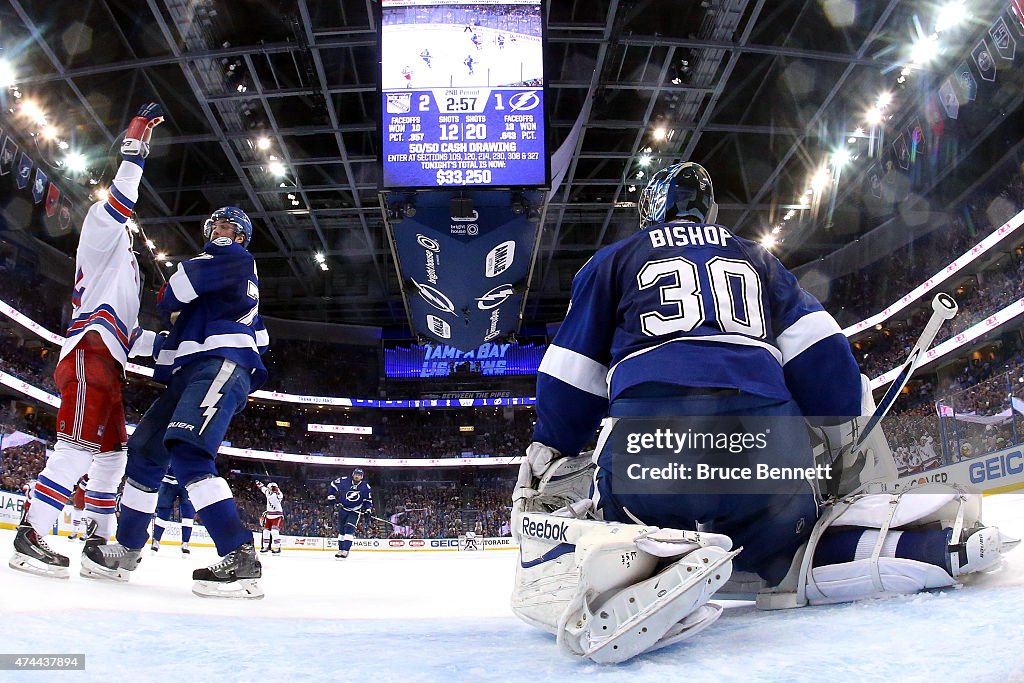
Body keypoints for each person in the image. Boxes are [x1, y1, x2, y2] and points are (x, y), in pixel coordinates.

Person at [510, 162, 1018, 663]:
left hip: (651, 455)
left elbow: (569, 377)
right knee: (792, 544)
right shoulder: (757, 258)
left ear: (651, 210)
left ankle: (646, 562)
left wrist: (554, 448)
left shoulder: (612, 260)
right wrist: (840, 443)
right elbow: (825, 358)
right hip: (765, 453)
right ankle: (920, 548)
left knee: (614, 512)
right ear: (709, 212)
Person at [81, 204, 270, 600]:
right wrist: (130, 336)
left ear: (240, 237)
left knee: (188, 451)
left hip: (218, 365)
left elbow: (173, 292)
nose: (220, 229)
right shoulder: (225, 293)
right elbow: (191, 339)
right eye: (215, 223)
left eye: (228, 226)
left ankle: (240, 555)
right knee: (146, 453)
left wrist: (171, 300)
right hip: (196, 369)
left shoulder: (232, 257)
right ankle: (128, 548)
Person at [8, 103, 165, 579]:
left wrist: (185, 349)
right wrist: (135, 149)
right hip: (89, 351)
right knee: (76, 446)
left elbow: (133, 336)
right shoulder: (101, 228)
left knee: (114, 454)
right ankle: (32, 533)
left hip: (111, 359)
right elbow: (120, 200)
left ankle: (98, 541)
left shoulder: (129, 271)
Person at [150, 465, 196, 556]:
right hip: (168, 481)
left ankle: (185, 542)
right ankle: (156, 540)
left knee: (188, 514)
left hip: (188, 481)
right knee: (163, 511)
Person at [327, 468, 372, 559]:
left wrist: (367, 510)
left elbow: (368, 500)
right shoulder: (344, 481)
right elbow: (333, 485)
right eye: (356, 474)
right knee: (342, 530)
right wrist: (331, 496)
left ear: (362, 477)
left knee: (349, 529)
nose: (357, 476)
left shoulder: (365, 487)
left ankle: (346, 550)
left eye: (359, 475)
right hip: (343, 509)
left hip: (354, 511)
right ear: (352, 475)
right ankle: (340, 550)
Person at [255, 481, 284, 555]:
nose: (269, 490)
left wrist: (276, 490)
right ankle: (265, 547)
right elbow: (263, 488)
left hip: (277, 516)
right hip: (269, 516)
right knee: (266, 532)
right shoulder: (268, 492)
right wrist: (259, 484)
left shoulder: (277, 494)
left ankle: (277, 548)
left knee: (274, 531)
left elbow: (280, 496)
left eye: (270, 488)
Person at [67, 475, 88, 540]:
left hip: (93, 489)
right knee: (77, 512)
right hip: (82, 489)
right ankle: (75, 531)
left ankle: (86, 533)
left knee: (89, 514)